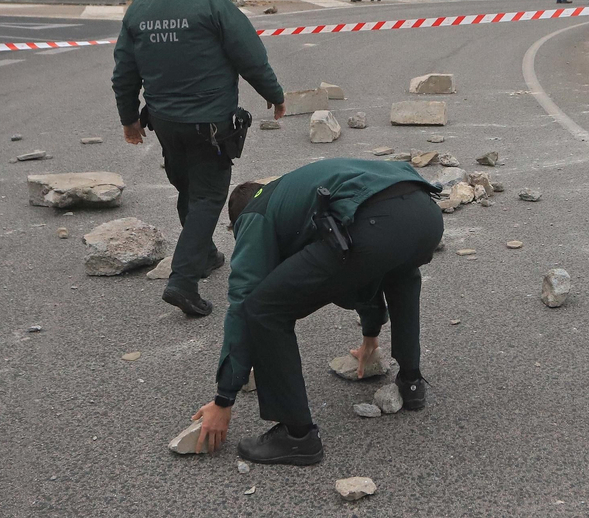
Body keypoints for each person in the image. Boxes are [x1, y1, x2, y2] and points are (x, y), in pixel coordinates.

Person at [188, 158, 443, 464]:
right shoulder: (298, 194)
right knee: (400, 270)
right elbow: (359, 267)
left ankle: (297, 437)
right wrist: (370, 338)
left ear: (235, 224)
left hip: (375, 223)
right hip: (425, 214)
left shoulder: (254, 213)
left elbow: (244, 301)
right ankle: (411, 384)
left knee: (265, 308)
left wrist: (224, 398)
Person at [112, 0, 285, 318]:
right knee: (207, 197)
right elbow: (251, 57)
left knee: (188, 189)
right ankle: (183, 280)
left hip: (165, 122)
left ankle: (204, 254)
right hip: (209, 122)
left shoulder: (139, 9)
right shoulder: (214, 3)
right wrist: (274, 94)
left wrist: (129, 119)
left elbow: (124, 72)